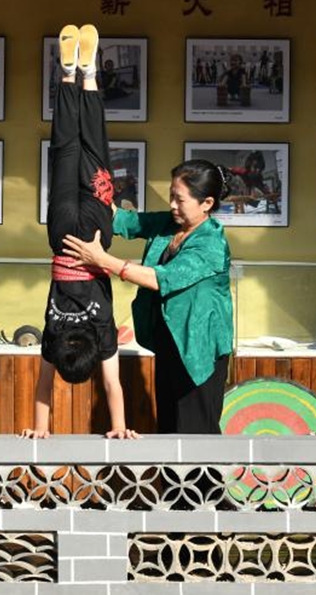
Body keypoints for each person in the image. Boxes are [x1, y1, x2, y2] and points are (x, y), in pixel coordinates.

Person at [62, 160, 234, 434]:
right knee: (168, 428)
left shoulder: (211, 243)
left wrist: (101, 259)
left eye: (180, 200)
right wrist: (96, 188)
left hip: (199, 350)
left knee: (196, 435)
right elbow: (126, 221)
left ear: (207, 203)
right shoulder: (169, 223)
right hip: (170, 342)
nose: (172, 205)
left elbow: (160, 278)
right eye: (171, 196)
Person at [24, 24, 137, 440]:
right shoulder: (53, 335)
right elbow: (43, 388)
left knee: (94, 147)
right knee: (64, 149)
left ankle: (88, 74)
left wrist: (120, 427)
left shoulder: (102, 331)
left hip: (94, 233)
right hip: (62, 234)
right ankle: (68, 73)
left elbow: (112, 385)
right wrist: (39, 429)